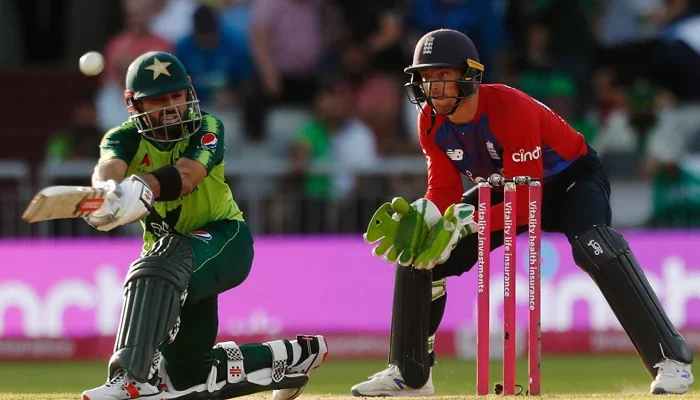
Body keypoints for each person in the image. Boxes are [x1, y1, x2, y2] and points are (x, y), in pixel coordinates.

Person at [351, 29, 694, 396]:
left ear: (469, 76)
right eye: (426, 78)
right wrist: (427, 214)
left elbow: (525, 203)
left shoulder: (509, 109)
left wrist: (467, 222)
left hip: (569, 181)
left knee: (594, 244)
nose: (433, 88)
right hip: (504, 187)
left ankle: (670, 360)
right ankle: (410, 373)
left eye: (442, 76)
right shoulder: (430, 123)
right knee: (419, 248)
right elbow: (445, 190)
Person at [81, 51, 327, 400]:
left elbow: (186, 177)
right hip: (176, 263)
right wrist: (105, 193)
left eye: (176, 97)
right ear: (133, 104)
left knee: (154, 265)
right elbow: (109, 167)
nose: (169, 108)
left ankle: (132, 376)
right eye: (157, 100)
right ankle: (292, 358)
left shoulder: (208, 127)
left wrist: (141, 187)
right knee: (188, 374)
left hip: (225, 241)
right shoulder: (122, 137)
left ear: (189, 94)